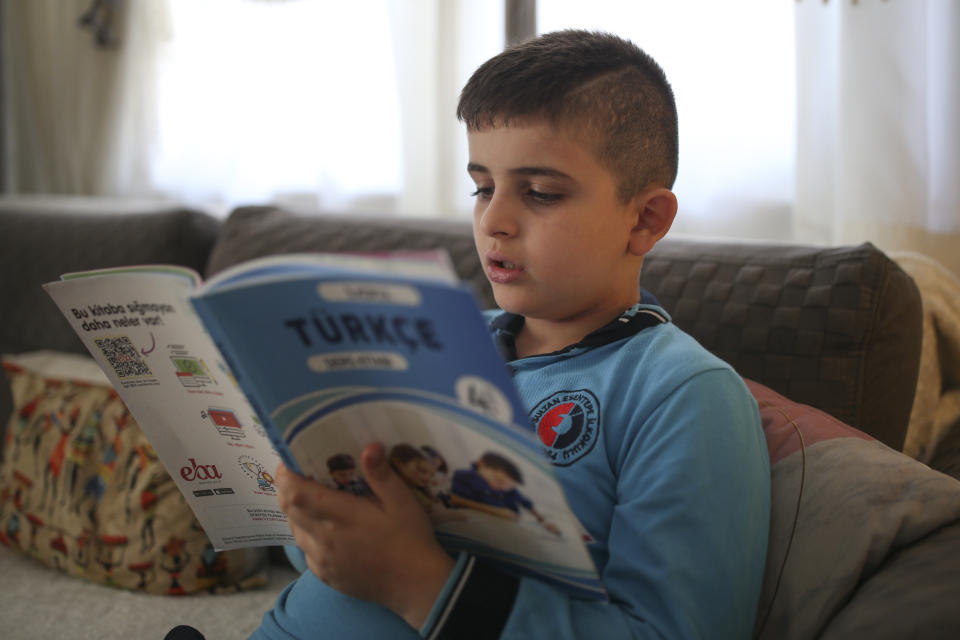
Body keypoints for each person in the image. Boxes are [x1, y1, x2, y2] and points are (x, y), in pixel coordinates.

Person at [248, 29, 770, 639]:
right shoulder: (433, 341)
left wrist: (415, 581)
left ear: (644, 219)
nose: (494, 220)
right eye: (482, 187)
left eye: (541, 193)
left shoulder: (680, 392)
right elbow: (323, 563)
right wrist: (311, 513)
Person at [449, 451, 560, 535]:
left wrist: (543, 521)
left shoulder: (508, 490)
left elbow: (526, 503)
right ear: (480, 464)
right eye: (499, 480)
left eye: (509, 486)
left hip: (510, 515)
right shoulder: (465, 477)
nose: (502, 487)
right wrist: (498, 512)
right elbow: (457, 500)